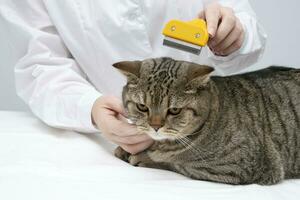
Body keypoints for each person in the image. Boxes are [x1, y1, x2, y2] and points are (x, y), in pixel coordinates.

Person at [0, 0, 266, 154]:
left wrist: (234, 35)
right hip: (110, 138)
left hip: (207, 129)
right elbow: (41, 64)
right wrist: (89, 108)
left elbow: (243, 23)